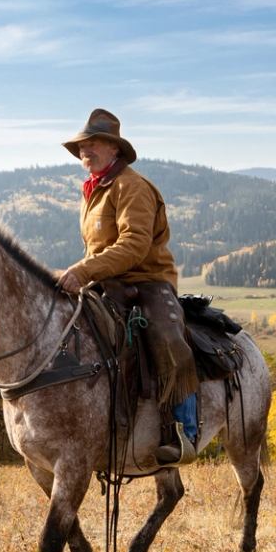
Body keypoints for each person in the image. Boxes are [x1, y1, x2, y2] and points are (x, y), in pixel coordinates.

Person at [55, 109, 201, 466]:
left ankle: (186, 430)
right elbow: (98, 245)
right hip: (106, 280)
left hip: (147, 279)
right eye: (81, 146)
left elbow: (134, 245)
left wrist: (83, 270)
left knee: (168, 337)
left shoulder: (132, 187)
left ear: (113, 148)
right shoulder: (94, 189)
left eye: (91, 145)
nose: (84, 152)